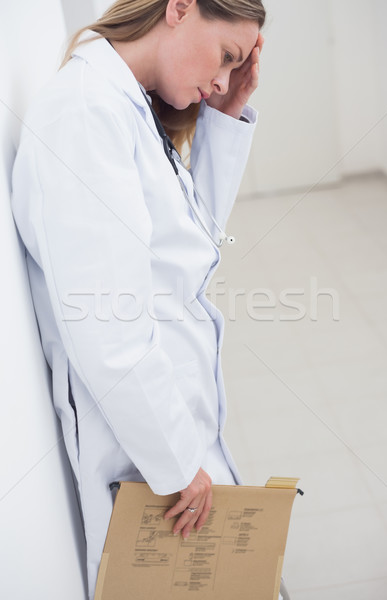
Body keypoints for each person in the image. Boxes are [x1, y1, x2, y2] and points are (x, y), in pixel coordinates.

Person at [11, 0, 266, 597]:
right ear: (179, 7)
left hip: (173, 441)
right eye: (226, 57)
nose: (224, 80)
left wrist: (224, 119)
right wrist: (178, 464)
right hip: (149, 461)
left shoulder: (127, 107)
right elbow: (109, 329)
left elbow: (185, 250)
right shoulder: (85, 112)